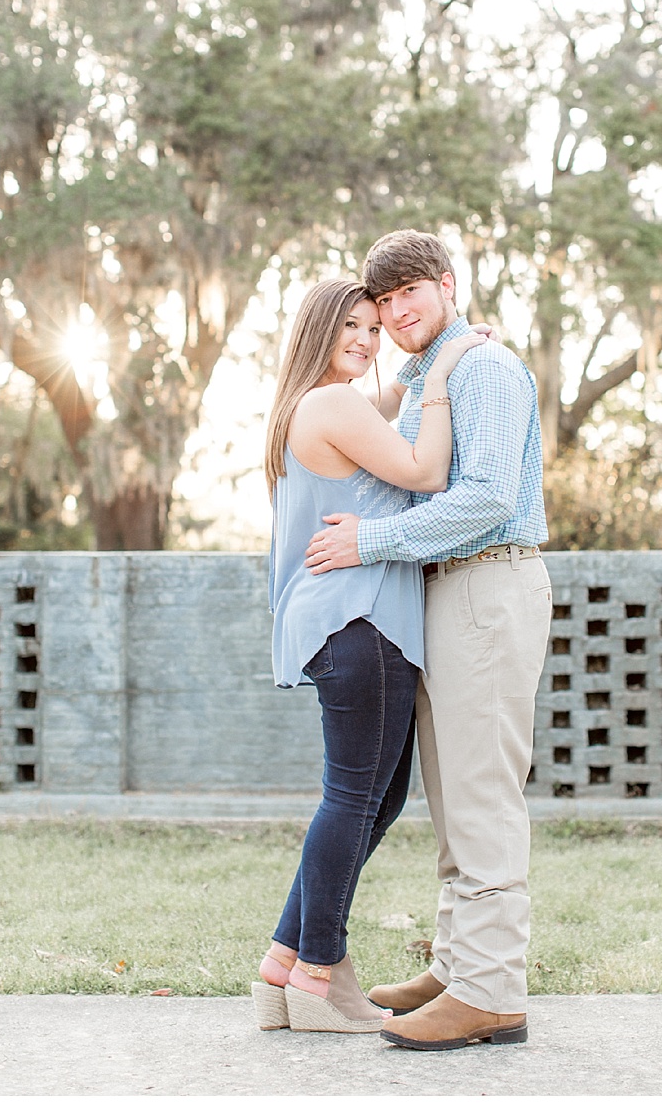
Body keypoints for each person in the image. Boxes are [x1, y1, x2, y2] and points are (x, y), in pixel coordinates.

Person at [304, 228, 551, 1052]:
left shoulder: (481, 366)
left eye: (412, 292)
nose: (398, 311)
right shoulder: (427, 380)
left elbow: (484, 498)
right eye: (385, 301)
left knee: (483, 790)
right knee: (454, 790)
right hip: (446, 590)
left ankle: (491, 990)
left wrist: (368, 543)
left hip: (487, 576)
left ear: (447, 285)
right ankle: (456, 965)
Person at [252, 278, 484, 1035]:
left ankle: (283, 967)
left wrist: (423, 368)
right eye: (349, 325)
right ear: (316, 331)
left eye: (373, 326)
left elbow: (394, 415)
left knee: (369, 798)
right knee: (354, 798)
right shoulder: (334, 404)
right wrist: (446, 371)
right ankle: (322, 975)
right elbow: (424, 472)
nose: (365, 338)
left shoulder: (314, 407)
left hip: (341, 624)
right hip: (362, 620)